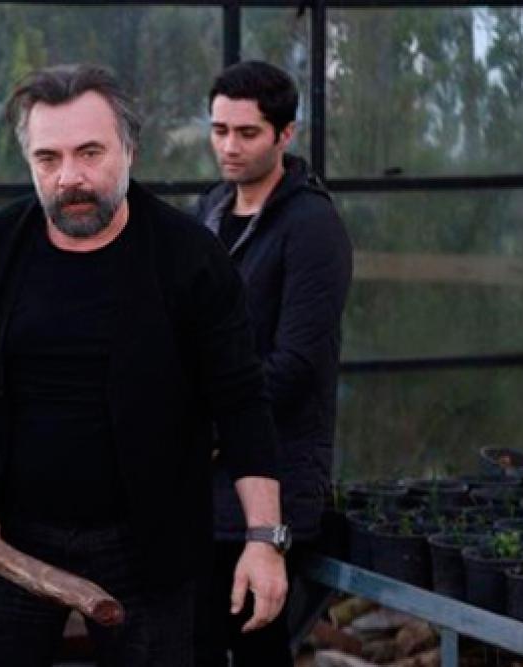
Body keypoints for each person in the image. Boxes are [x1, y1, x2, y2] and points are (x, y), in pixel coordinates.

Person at [0, 63, 287, 667]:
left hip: (148, 543)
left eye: (89, 153)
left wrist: (264, 540)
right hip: (8, 539)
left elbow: (241, 401)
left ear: (129, 149)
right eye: (48, 159)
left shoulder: (189, 258)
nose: (70, 178)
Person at [192, 60, 353, 666]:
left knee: (255, 641)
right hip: (203, 474)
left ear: (285, 134)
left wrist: (211, 426)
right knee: (195, 638)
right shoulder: (210, 209)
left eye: (247, 133)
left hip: (271, 469)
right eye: (219, 130)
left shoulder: (312, 226)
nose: (229, 147)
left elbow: (297, 364)